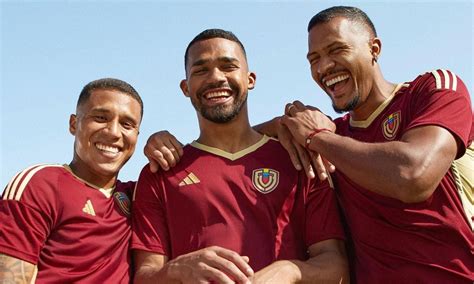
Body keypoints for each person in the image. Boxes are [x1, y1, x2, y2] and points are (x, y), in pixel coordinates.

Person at [144, 6, 474, 283]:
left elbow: (412, 175)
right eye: (313, 58)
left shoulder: (430, 91)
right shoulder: (333, 138)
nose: (324, 67)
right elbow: (231, 144)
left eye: (336, 50)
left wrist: (315, 136)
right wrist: (179, 148)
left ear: (374, 48)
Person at [131, 29, 348, 283]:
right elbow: (144, 276)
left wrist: (289, 270)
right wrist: (177, 269)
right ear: (185, 87)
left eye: (228, 66)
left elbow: (337, 266)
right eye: (201, 70)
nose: (216, 78)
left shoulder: (299, 158)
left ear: (250, 79)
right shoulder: (160, 173)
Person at [0, 78, 143, 283]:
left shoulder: (138, 196)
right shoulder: (40, 184)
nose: (113, 132)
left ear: (137, 136)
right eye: (101, 118)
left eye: (127, 124)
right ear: (74, 124)